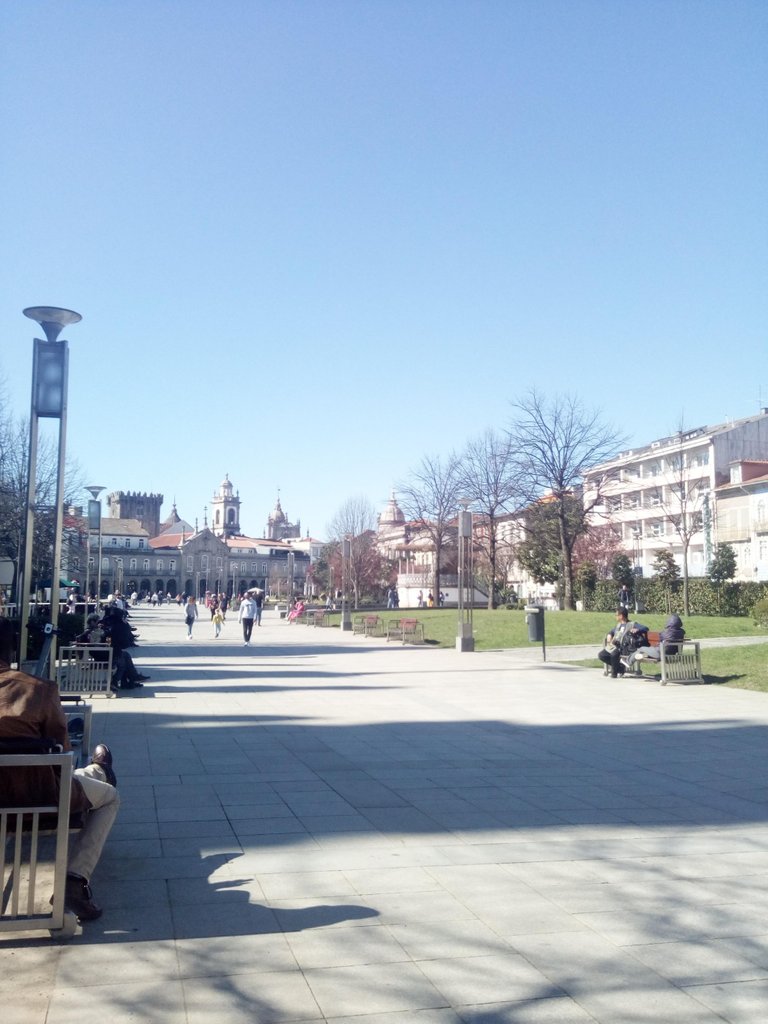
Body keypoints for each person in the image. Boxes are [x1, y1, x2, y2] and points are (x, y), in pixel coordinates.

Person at [0, 619, 120, 921]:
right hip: (39, 798)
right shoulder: (36, 690)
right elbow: (63, 752)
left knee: (82, 777)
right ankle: (74, 880)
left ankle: (99, 769)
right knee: (109, 798)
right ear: (11, 647)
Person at [597, 608, 649, 678]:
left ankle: (614, 674)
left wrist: (637, 629)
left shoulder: (632, 624)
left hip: (625, 648)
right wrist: (609, 635)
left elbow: (645, 628)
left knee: (614, 654)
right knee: (601, 655)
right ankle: (620, 668)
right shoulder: (618, 625)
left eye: (616, 615)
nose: (615, 617)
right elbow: (611, 631)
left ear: (621, 616)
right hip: (615, 646)